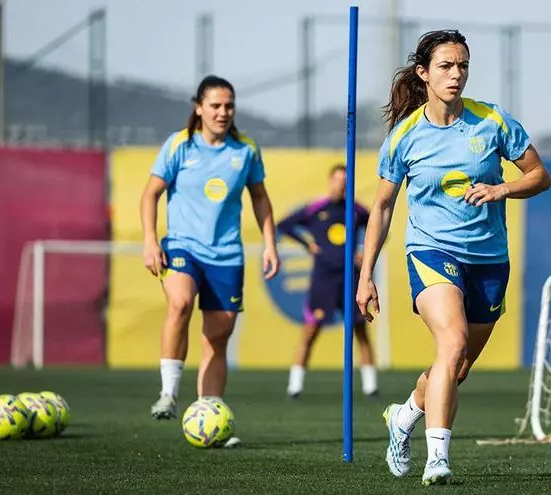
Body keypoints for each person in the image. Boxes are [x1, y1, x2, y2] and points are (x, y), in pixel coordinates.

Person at [355, 30, 551, 485]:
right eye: (446, 66)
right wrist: (366, 276)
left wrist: (502, 188)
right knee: (453, 343)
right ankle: (437, 459)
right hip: (430, 251)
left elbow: (540, 176)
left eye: (462, 65)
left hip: (489, 259)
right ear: (423, 74)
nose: (456, 74)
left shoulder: (493, 121)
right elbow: (382, 208)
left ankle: (403, 417)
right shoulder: (404, 137)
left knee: (456, 367)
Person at [140, 75, 280, 447]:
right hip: (182, 247)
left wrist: (270, 244)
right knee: (181, 302)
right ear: (198, 107)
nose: (223, 112)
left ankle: (209, 415)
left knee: (217, 339)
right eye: (215, 105)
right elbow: (150, 195)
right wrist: (151, 241)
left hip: (227, 256)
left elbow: (260, 198)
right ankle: (169, 393)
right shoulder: (179, 146)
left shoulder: (246, 149)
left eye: (228, 106)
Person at [276, 164, 377, 398]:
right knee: (311, 331)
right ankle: (295, 385)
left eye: (345, 181)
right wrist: (306, 244)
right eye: (338, 180)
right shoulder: (316, 209)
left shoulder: (356, 210)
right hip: (324, 277)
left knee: (360, 330)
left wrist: (363, 250)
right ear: (330, 181)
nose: (341, 185)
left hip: (350, 277)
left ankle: (370, 385)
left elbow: (378, 225)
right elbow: (284, 225)